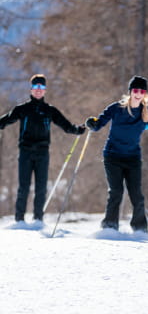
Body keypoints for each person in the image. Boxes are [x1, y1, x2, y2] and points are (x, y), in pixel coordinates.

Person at [85, 75, 148, 233]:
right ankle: (109, 227)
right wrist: (92, 123)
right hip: (112, 156)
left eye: (142, 91)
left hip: (132, 158)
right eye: (135, 90)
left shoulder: (147, 114)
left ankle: (140, 229)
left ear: (145, 94)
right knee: (116, 192)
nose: (138, 93)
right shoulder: (117, 108)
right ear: (130, 92)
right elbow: (99, 123)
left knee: (137, 195)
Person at [0, 74, 86, 223]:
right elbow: (7, 119)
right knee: (23, 187)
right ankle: (19, 219)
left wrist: (77, 129)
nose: (38, 90)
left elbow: (66, 125)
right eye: (35, 87)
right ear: (31, 89)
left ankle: (38, 219)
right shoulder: (22, 109)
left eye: (41, 87)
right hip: (26, 152)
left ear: (45, 90)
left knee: (41, 188)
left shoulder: (50, 110)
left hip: (42, 153)